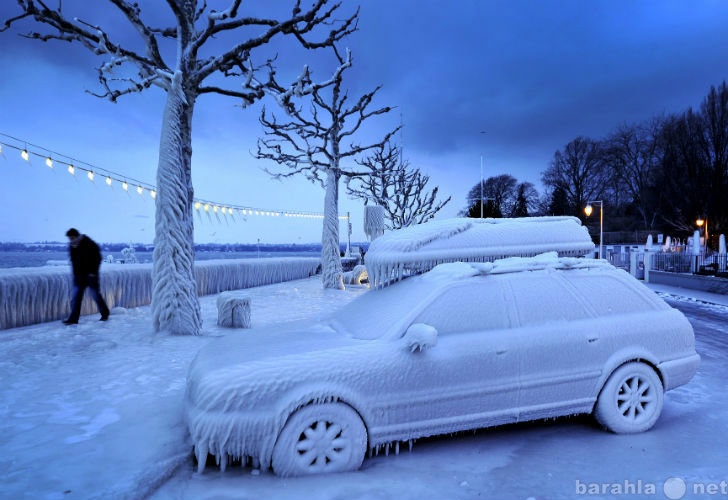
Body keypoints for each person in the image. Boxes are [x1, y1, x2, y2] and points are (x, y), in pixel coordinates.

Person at [63, 228, 110, 325]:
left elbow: (98, 258)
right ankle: (73, 319)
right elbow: (74, 262)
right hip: (79, 277)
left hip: (91, 276)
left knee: (95, 295)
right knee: (76, 298)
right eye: (69, 238)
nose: (70, 240)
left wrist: (93, 272)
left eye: (72, 238)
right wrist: (75, 275)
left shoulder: (89, 243)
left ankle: (105, 313)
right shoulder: (72, 246)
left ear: (76, 236)